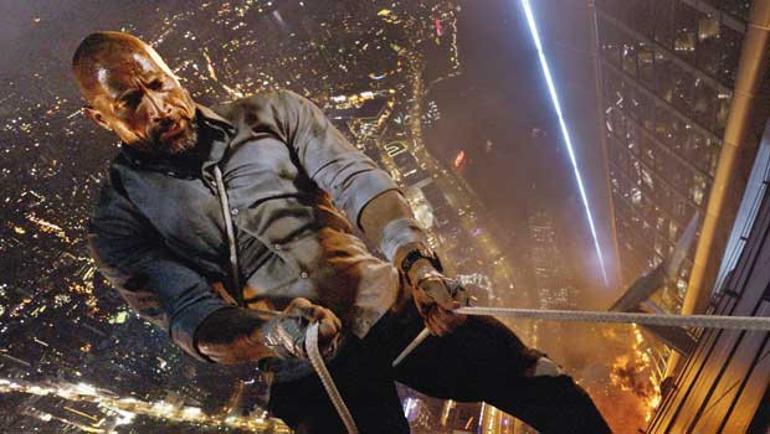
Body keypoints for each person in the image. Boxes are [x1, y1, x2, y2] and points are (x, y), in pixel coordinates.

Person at [75, 31, 611, 433]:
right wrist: (275, 334)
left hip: (391, 306)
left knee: (546, 388)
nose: (159, 108)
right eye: (131, 102)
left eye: (159, 84)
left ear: (172, 73)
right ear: (100, 118)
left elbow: (354, 179)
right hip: (304, 366)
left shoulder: (271, 114)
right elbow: (192, 318)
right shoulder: (118, 219)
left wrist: (416, 262)